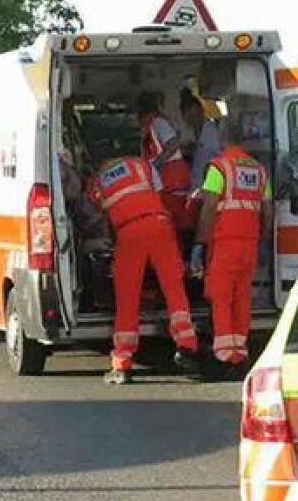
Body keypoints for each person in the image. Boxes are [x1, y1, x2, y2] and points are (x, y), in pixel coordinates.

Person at [86, 152, 198, 384]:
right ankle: (187, 346)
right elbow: (160, 194)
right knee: (174, 288)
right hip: (160, 224)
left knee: (128, 297)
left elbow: (97, 216)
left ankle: (122, 363)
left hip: (129, 232)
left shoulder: (97, 180)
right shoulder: (141, 165)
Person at [190, 130, 273, 371]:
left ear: (223, 143)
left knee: (221, 297)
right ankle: (240, 352)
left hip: (225, 242)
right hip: (249, 244)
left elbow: (208, 208)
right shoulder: (259, 170)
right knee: (242, 298)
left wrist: (199, 243)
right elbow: (267, 211)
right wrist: (263, 242)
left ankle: (225, 355)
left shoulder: (219, 167)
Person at [137, 92, 193, 229]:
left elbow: (173, 143)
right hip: (167, 183)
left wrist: (158, 163)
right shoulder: (151, 126)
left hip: (173, 181)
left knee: (173, 223)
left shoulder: (158, 123)